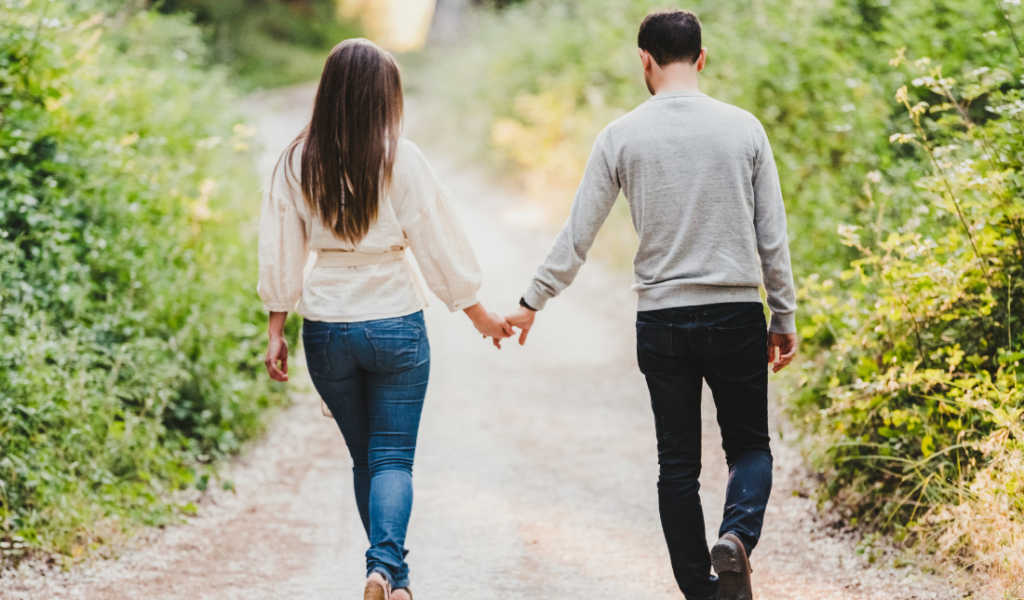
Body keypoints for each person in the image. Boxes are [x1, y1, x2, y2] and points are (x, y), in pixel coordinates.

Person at [504, 10, 798, 600]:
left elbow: (577, 234)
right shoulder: (745, 130)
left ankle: (701, 589)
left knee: (677, 467)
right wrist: (783, 316)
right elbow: (773, 236)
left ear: (645, 60)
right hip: (736, 312)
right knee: (748, 448)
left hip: (661, 321)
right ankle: (736, 537)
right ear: (702, 57)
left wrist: (531, 300)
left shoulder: (621, 135)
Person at [258, 39, 511, 600]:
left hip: (326, 325)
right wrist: (478, 315)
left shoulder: (296, 160)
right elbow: (436, 243)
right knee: (393, 456)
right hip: (394, 319)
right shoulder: (401, 157)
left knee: (364, 458)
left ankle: (391, 578)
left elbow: (279, 249)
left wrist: (276, 331)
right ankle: (384, 570)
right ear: (383, 97)